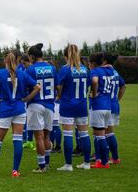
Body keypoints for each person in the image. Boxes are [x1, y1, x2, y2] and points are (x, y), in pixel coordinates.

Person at [56, 44, 91, 171]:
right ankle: (86, 163)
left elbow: (59, 86)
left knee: (68, 135)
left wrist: (58, 96)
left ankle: (68, 165)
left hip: (67, 105)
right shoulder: (85, 69)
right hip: (82, 105)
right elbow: (88, 85)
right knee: (84, 134)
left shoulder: (65, 69)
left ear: (66, 56)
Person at [26, 43, 60, 173]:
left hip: (35, 104)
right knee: (46, 136)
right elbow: (58, 86)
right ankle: (47, 163)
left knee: (38, 136)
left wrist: (26, 98)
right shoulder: (51, 68)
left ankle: (41, 166)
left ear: (32, 56)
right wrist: (58, 97)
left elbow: (26, 87)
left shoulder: (31, 69)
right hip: (50, 105)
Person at [88, 52, 113, 169]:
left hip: (98, 106)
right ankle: (101, 160)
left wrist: (93, 93)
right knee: (102, 135)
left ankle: (104, 162)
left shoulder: (95, 71)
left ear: (92, 63)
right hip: (108, 107)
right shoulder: (109, 70)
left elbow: (94, 81)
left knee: (100, 136)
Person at [103, 52, 126, 164]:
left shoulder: (105, 72)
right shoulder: (115, 72)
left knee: (106, 132)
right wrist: (117, 99)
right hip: (114, 104)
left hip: (106, 105)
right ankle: (111, 157)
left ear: (104, 61)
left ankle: (111, 157)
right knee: (108, 132)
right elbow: (123, 86)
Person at [20, 54, 36, 150]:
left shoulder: (32, 70)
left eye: (24, 63)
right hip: (26, 98)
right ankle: (28, 141)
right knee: (27, 121)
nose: (23, 65)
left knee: (33, 122)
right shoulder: (26, 70)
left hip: (33, 99)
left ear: (29, 61)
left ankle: (34, 141)